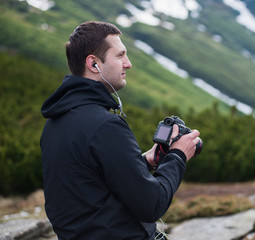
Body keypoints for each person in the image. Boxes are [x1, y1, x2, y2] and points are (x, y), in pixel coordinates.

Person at [40, 21, 200, 240]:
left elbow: (89, 186)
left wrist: (144, 161)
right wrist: (178, 155)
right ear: (94, 64)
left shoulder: (55, 124)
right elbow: (152, 205)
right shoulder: (105, 126)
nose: (128, 64)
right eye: (120, 55)